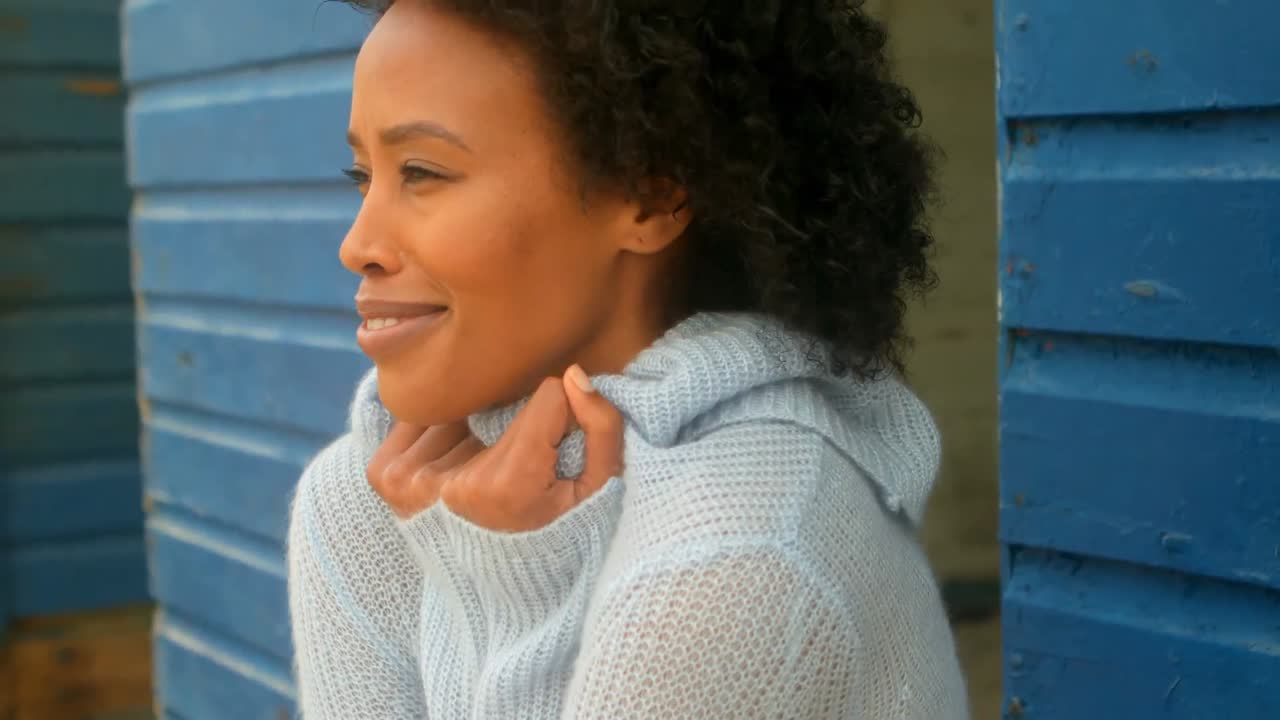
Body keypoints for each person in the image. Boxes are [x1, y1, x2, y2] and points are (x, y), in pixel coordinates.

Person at [287, 0, 968, 717]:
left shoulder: (741, 551)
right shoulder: (367, 497)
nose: (356, 242)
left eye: (423, 172)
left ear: (647, 198)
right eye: (364, 176)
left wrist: (518, 588)